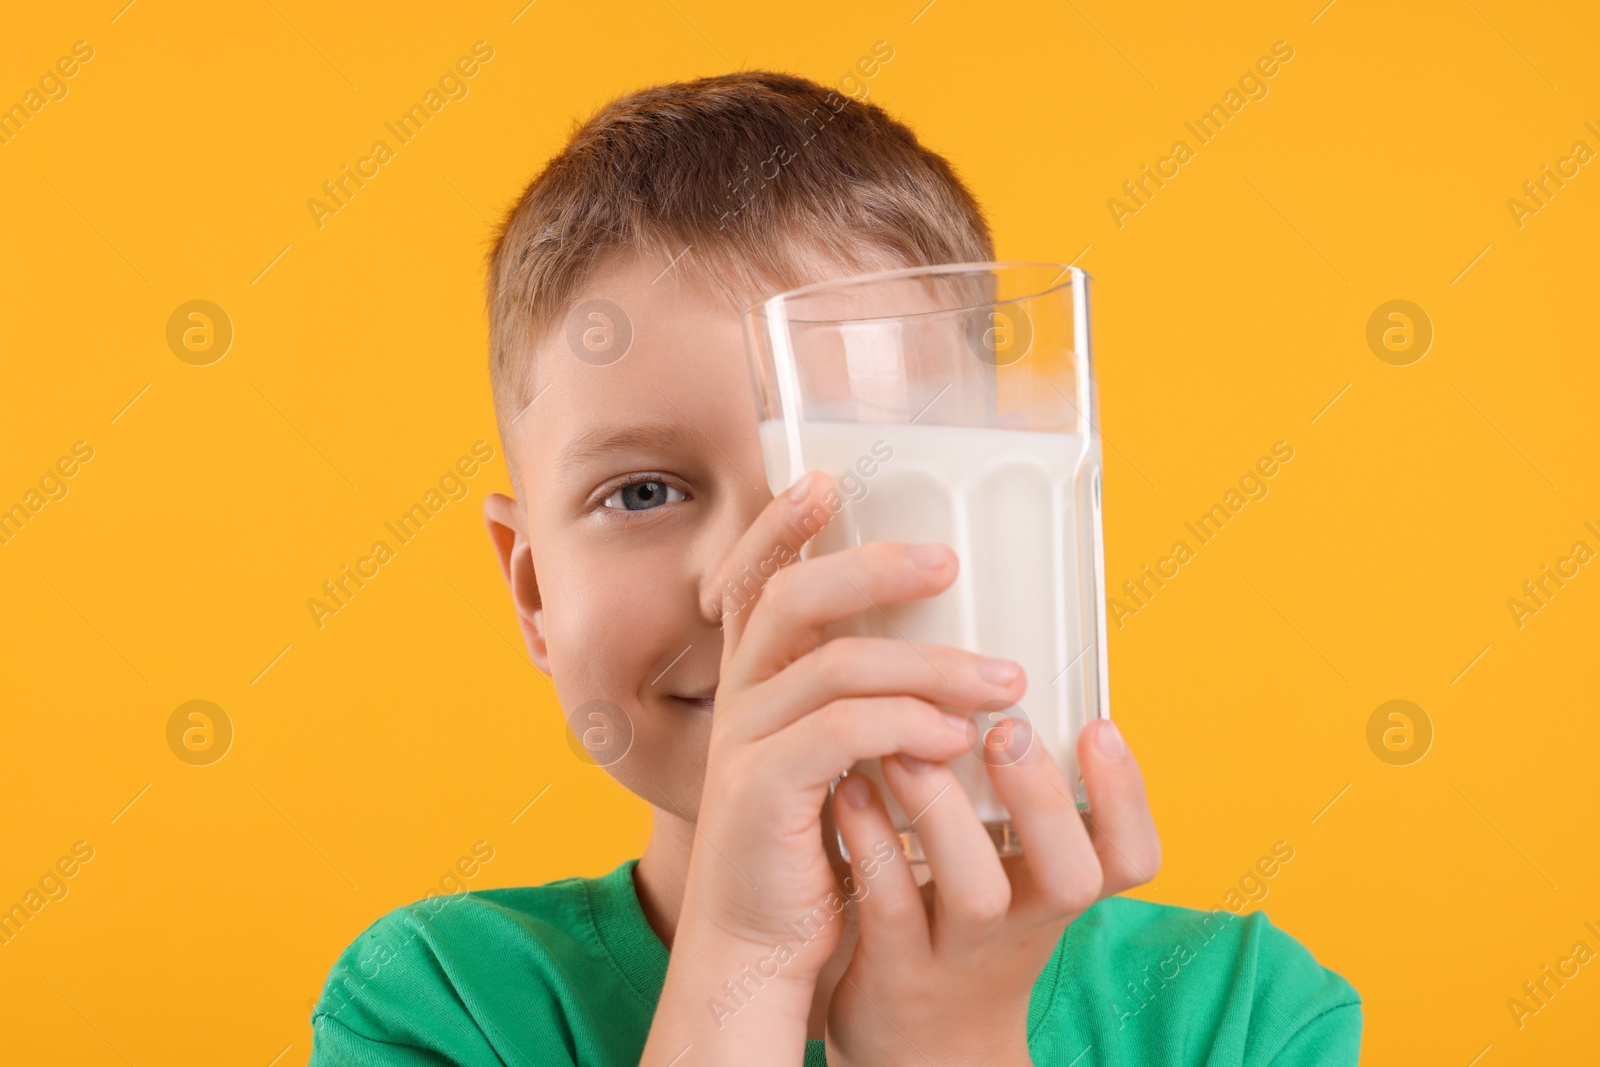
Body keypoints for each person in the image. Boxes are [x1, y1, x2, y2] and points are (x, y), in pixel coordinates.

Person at [307, 69, 1360, 1066]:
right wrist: (739, 965)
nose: (754, 580)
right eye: (641, 492)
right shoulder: (437, 1003)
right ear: (533, 594)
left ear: (1007, 527)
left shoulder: (1240, 1015)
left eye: (860, 469)